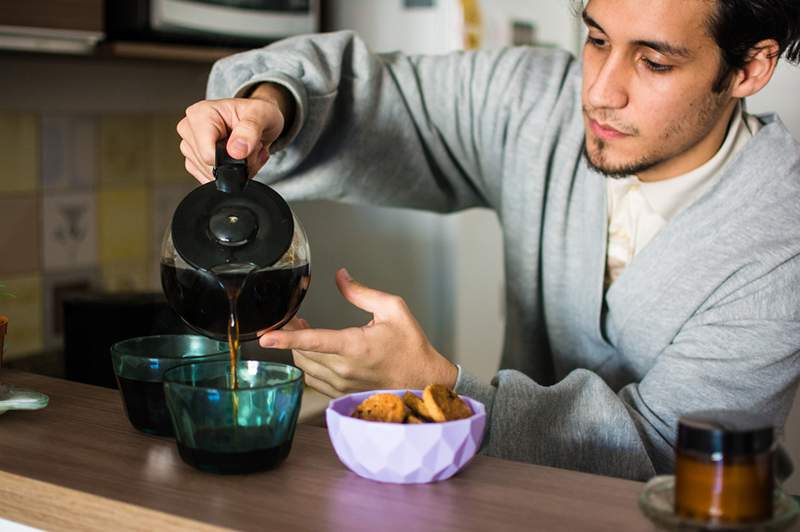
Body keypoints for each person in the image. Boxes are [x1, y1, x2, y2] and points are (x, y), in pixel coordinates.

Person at [177, 0, 800, 480]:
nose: (600, 93)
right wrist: (266, 109)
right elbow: (375, 102)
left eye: (655, 62)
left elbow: (666, 454)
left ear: (749, 67)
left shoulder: (782, 239)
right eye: (597, 39)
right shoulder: (532, 105)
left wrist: (443, 390)